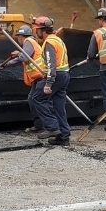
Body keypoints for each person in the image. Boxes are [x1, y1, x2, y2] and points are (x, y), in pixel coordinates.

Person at [0, 25, 45, 133]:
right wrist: (5, 65)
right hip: (38, 77)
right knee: (33, 99)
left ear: (21, 37)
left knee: (35, 100)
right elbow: (20, 58)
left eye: (18, 37)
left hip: (40, 76)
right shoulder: (33, 42)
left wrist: (18, 53)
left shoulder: (28, 42)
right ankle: (39, 125)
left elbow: (23, 57)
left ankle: (42, 125)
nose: (18, 39)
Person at [31, 16, 71, 146]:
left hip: (56, 76)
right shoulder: (58, 40)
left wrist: (48, 83)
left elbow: (51, 64)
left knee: (37, 97)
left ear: (42, 30)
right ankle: (64, 135)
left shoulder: (49, 43)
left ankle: (52, 127)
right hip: (64, 75)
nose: (36, 32)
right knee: (59, 106)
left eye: (37, 30)